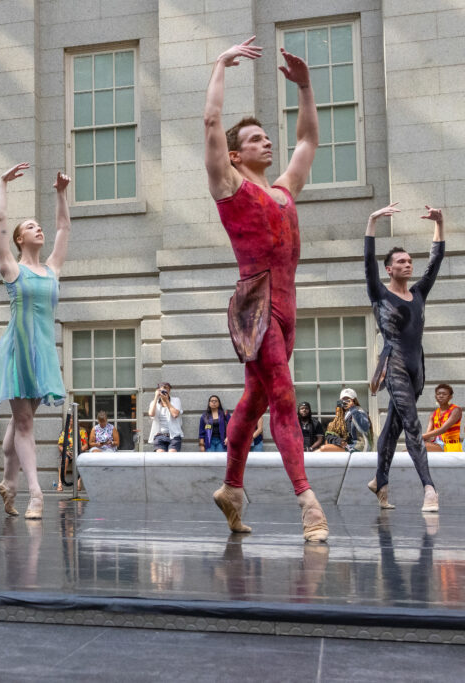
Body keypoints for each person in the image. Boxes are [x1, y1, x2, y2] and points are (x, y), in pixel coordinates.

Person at [203, 36, 328, 541]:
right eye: (255, 139)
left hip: (287, 307)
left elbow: (308, 142)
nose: (266, 143)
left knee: (254, 400)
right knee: (280, 394)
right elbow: (211, 124)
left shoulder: (281, 191)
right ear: (235, 155)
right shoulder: (230, 186)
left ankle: (231, 488)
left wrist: (305, 88)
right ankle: (309, 503)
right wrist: (220, 65)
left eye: (264, 137)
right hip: (257, 305)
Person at [0, 162, 71, 520]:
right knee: (24, 424)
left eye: (40, 226)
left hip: (43, 352)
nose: (39, 229)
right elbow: (0, 224)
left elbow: (64, 227)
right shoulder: (11, 268)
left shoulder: (53, 268)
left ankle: (8, 481)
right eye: (32, 227)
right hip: (19, 350)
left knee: (18, 422)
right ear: (20, 239)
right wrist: (3, 185)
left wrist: (61, 193)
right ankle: (35, 493)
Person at [364, 203, 446, 513]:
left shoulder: (419, 293)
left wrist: (439, 222)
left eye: (410, 260)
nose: (408, 263)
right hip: (394, 363)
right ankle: (429, 489)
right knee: (412, 424)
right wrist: (372, 222)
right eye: (401, 261)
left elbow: (435, 261)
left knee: (393, 428)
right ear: (389, 268)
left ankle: (379, 481)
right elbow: (367, 263)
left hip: (416, 369)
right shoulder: (379, 293)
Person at [423, 384, 461, 452]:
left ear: (450, 397)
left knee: (418, 447)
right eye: (438, 394)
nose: (441, 396)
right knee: (412, 447)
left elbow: (442, 429)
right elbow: (428, 433)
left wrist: (422, 436)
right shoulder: (433, 414)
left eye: (444, 394)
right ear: (435, 396)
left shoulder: (456, 410)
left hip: (450, 446)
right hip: (436, 444)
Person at [55, 414, 87, 492]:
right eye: (70, 420)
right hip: (68, 452)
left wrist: (78, 451)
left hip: (78, 452)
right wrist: (65, 451)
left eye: (73, 419)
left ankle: (77, 484)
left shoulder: (82, 431)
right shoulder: (65, 431)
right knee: (64, 460)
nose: (71, 421)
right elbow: (60, 445)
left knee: (78, 460)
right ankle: (60, 483)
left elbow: (86, 445)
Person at [148, 383, 183, 452]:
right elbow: (151, 414)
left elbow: (175, 414)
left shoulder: (176, 400)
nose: (164, 389)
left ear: (169, 390)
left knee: (172, 456)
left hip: (174, 435)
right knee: (161, 457)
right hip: (159, 435)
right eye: (162, 388)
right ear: (158, 390)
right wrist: (156, 397)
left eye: (166, 388)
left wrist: (166, 400)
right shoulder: (154, 403)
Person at [340, 389, 372, 455]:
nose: (345, 402)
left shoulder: (359, 412)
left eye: (348, 400)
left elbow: (365, 428)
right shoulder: (345, 413)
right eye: (343, 400)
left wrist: (353, 409)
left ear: (353, 400)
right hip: (348, 445)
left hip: (358, 446)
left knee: (326, 449)